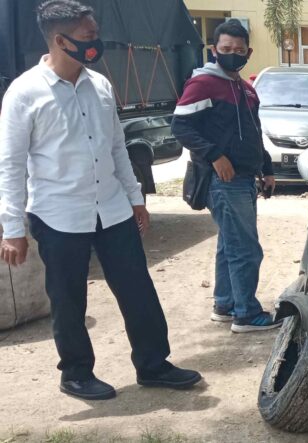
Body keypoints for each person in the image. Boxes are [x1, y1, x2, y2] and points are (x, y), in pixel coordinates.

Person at [0, 0, 201, 400]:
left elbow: (116, 148)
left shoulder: (101, 85)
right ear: (60, 40)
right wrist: (11, 230)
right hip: (58, 215)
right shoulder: (25, 93)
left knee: (137, 288)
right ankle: (75, 373)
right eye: (89, 37)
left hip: (110, 209)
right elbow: (10, 164)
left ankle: (153, 364)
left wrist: (135, 198)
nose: (96, 44)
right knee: (69, 297)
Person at [172, 21, 278, 333]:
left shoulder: (245, 90)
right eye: (226, 49)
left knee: (229, 243)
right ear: (214, 50)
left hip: (245, 178)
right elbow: (181, 126)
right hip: (223, 181)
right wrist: (215, 155)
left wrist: (267, 168)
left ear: (249, 52)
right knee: (245, 247)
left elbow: (254, 134)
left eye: (239, 50)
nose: (233, 54)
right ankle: (246, 314)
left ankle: (226, 303)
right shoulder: (203, 84)